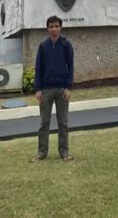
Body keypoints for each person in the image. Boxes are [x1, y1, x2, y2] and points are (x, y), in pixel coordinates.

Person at [30, 15, 74, 162]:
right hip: (46, 90)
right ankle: (42, 152)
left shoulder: (66, 45)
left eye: (56, 26)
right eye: (51, 26)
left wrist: (68, 87)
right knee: (44, 123)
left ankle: (64, 153)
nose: (54, 29)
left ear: (60, 28)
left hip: (62, 89)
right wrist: (38, 89)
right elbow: (38, 68)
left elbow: (71, 67)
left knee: (63, 122)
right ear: (47, 28)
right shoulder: (43, 46)